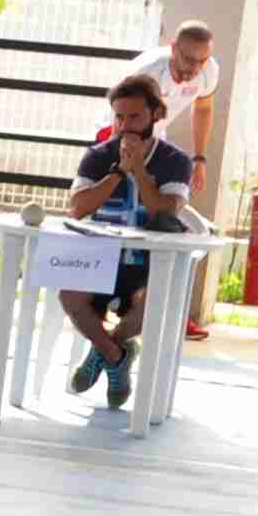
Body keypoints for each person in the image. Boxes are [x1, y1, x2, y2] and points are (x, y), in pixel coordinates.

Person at [60, 71, 195, 411]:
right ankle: (116, 355)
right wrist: (119, 171)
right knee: (69, 294)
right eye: (119, 116)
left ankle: (104, 351)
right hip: (102, 255)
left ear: (156, 114)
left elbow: (165, 208)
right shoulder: (98, 155)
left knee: (155, 301)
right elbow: (77, 208)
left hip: (150, 261)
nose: (125, 125)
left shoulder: (176, 161)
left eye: (134, 116)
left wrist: (139, 172)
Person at [114, 18, 223, 339]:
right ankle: (114, 304)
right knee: (131, 227)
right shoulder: (147, 72)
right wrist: (131, 167)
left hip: (155, 144)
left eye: (201, 61)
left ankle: (170, 313)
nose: (194, 69)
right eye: (188, 60)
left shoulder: (208, 71)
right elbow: (121, 122)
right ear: (173, 48)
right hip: (116, 138)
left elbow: (203, 107)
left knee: (181, 229)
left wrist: (199, 158)